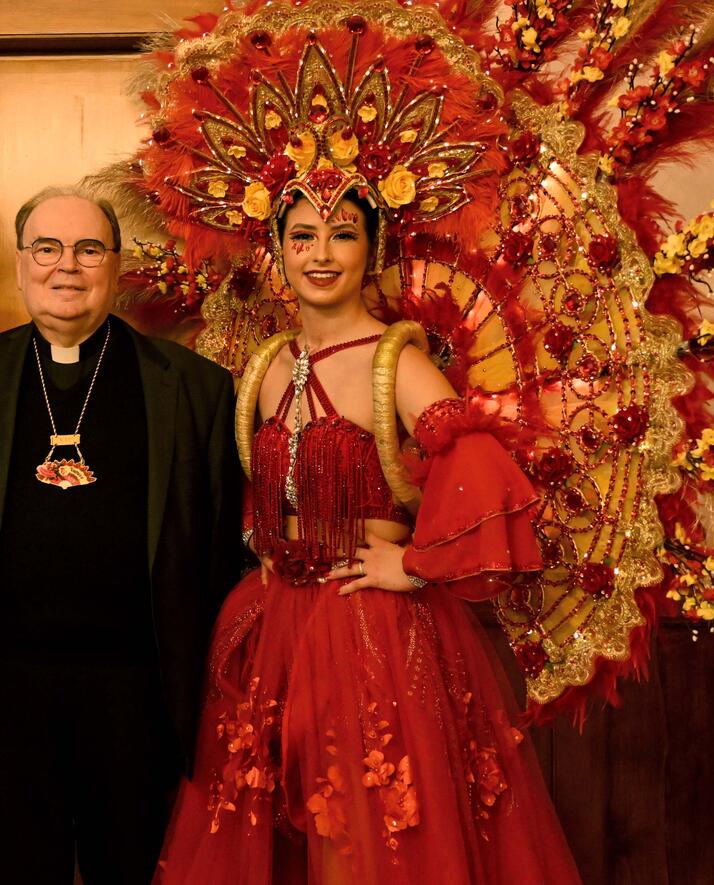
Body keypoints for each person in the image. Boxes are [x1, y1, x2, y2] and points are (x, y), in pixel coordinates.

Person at [152, 173, 582, 883]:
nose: (322, 253)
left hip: (369, 631)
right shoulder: (264, 365)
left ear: (370, 248)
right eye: (303, 237)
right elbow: (257, 493)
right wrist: (269, 541)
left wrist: (412, 564)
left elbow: (482, 475)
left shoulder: (399, 363)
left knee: (364, 841)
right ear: (277, 251)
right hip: (276, 627)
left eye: (343, 234)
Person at [0, 188, 242, 884]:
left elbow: (218, 555)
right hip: (2, 690)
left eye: (88, 249)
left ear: (116, 267)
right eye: (47, 249)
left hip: (137, 692)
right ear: (21, 267)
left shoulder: (196, 386)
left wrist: (218, 692)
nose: (67, 267)